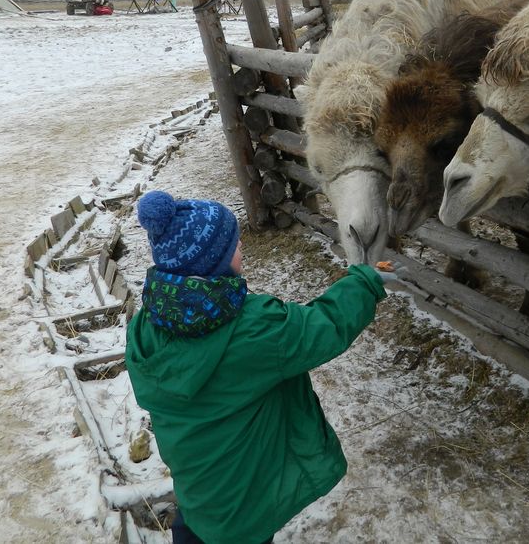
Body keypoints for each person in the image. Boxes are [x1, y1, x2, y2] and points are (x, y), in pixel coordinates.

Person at [124, 190, 394, 544]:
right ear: (210, 264)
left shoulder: (145, 327)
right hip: (245, 504)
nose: (241, 247)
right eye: (232, 246)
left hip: (199, 490)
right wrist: (365, 282)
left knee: (198, 528)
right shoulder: (254, 329)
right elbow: (324, 325)